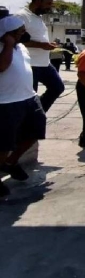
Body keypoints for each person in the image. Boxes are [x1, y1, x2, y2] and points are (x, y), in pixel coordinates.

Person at [0, 16, 47, 198]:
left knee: (36, 131)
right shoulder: (6, 47)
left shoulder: (22, 47)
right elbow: (2, 66)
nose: (23, 34)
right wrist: (9, 45)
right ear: (7, 34)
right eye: (19, 32)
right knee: (4, 143)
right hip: (6, 102)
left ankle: (11, 162)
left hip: (29, 97)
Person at [15, 0, 64, 112]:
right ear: (38, 1)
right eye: (47, 3)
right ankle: (30, 122)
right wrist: (41, 45)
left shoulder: (38, 17)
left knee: (57, 87)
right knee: (30, 98)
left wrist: (48, 44)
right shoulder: (22, 16)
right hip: (30, 65)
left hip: (44, 63)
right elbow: (17, 40)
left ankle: (38, 113)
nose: (49, 7)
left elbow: (38, 37)